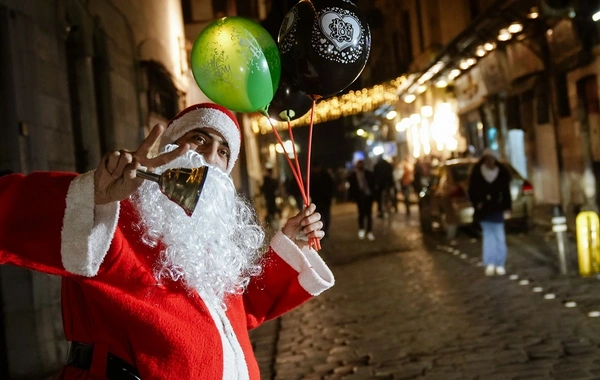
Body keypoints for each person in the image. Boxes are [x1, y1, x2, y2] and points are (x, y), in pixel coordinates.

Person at [0, 103, 334, 379]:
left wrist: (290, 245)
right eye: (199, 139)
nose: (209, 156)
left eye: (222, 151)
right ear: (172, 148)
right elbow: (14, 216)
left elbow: (235, 315)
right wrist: (94, 195)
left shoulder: (213, 244)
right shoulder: (120, 214)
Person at [467, 149, 512, 276]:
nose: (490, 162)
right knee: (488, 237)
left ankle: (500, 263)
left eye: (492, 159)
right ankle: (490, 263)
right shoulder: (477, 173)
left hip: (497, 209)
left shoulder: (502, 173)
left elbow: (506, 192)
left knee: (499, 236)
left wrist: (507, 207)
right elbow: (472, 191)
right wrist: (478, 202)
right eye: (488, 159)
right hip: (484, 210)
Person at [347, 160, 375, 241]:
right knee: (361, 213)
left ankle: (369, 231)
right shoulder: (353, 175)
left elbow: (372, 183)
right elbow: (352, 187)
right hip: (359, 197)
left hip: (368, 195)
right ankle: (362, 229)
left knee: (369, 214)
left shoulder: (368, 173)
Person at [309, 161, 334, 237]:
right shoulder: (312, 176)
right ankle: (321, 232)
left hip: (325, 200)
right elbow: (310, 188)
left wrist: (330, 196)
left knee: (327, 216)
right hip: (317, 201)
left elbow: (331, 185)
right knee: (319, 217)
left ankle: (326, 231)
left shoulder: (325, 175)